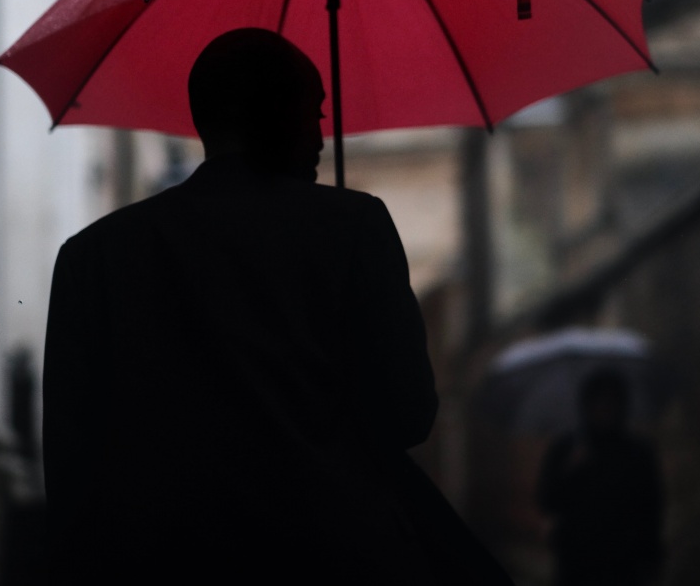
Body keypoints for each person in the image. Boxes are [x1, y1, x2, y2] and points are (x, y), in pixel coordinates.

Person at [43, 28, 513, 584]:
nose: (320, 135)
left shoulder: (92, 258)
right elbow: (407, 414)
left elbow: (71, 468)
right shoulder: (354, 228)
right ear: (272, 114)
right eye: (311, 112)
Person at [537, 367, 664, 586]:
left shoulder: (638, 452)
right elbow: (547, 501)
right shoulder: (567, 448)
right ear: (587, 404)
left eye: (611, 401)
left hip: (625, 565)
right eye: (598, 401)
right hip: (576, 564)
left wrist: (651, 561)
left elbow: (651, 509)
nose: (605, 409)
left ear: (622, 405)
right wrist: (569, 470)